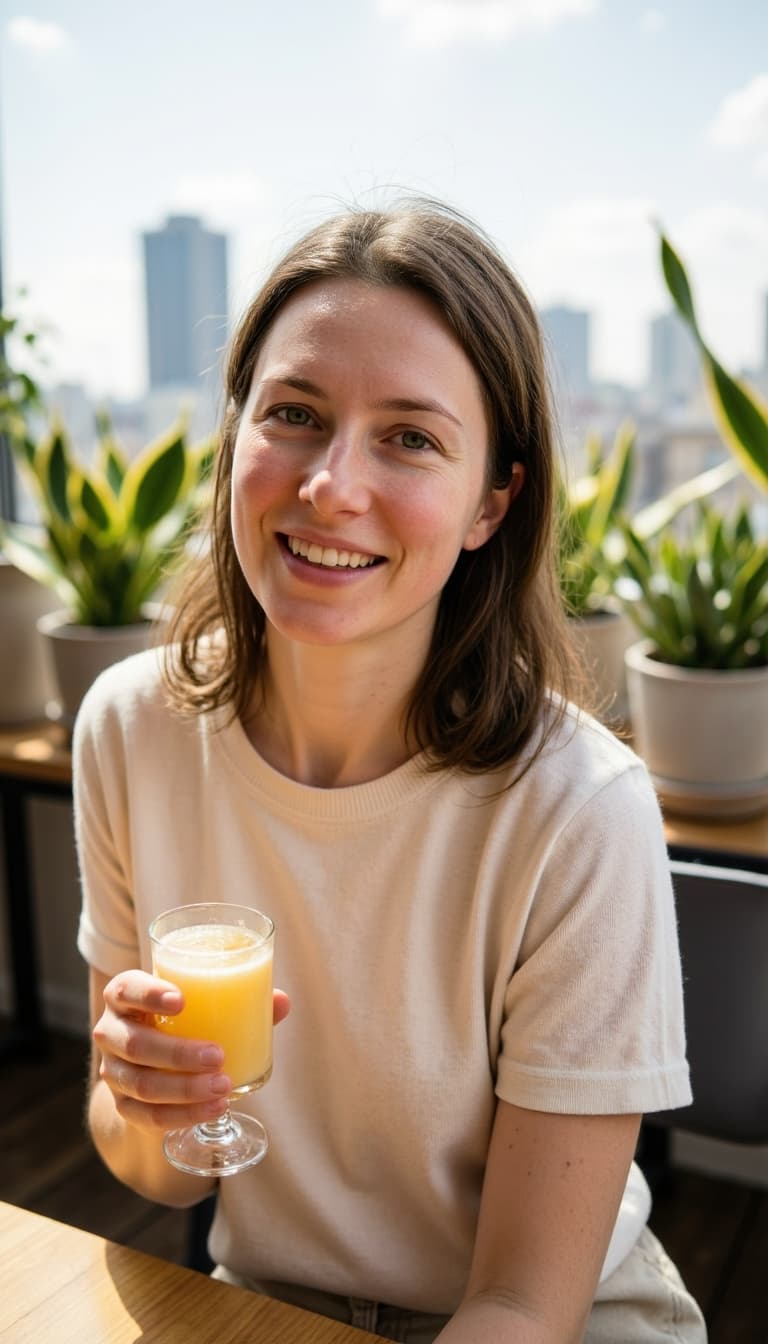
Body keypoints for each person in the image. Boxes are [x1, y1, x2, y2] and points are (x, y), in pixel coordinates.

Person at [74, 197, 707, 1343]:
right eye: (296, 415)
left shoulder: (580, 812)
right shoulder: (131, 730)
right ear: (235, 439)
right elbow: (153, 1175)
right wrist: (145, 1104)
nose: (330, 486)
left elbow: (522, 1301)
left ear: (491, 503)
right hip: (274, 1309)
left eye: (411, 437)